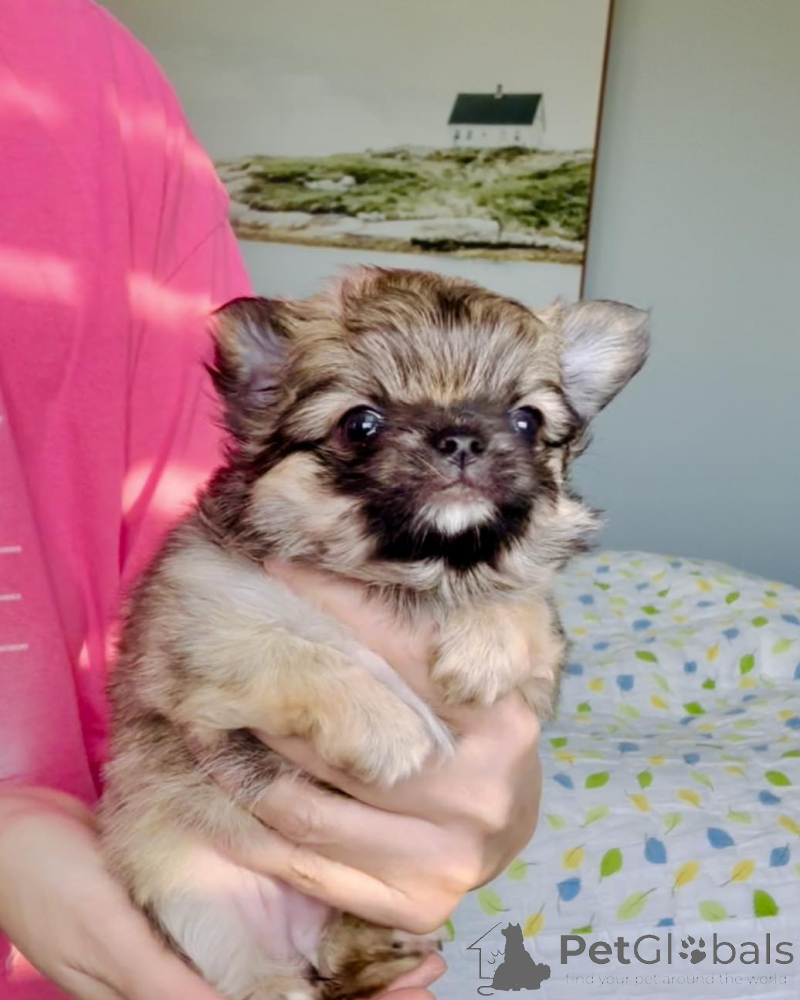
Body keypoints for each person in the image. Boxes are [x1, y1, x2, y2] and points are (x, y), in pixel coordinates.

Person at [0, 2, 542, 998]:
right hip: (137, 858)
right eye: (365, 425)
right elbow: (191, 638)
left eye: (520, 420)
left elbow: (171, 563)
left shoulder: (83, 70)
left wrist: (499, 767)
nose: (457, 447)